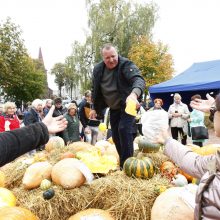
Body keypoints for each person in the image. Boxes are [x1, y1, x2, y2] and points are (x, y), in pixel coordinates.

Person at [156, 93, 220, 219]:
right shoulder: (217, 162)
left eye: (215, 113)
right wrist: (169, 142)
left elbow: (197, 164)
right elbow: (198, 164)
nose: (212, 116)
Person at [90, 43, 145, 167]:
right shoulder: (98, 69)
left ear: (117, 54)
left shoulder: (126, 65)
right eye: (107, 58)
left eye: (113, 56)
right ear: (103, 58)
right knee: (115, 136)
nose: (111, 60)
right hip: (113, 108)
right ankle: (124, 161)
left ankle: (127, 165)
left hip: (127, 105)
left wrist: (134, 94)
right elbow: (95, 89)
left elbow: (138, 80)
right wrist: (94, 107)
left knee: (124, 129)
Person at [0, 105, 67, 167]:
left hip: (18, 141)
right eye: (9, 108)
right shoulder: (2, 118)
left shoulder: (15, 117)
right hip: (13, 142)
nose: (12, 110)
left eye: (13, 108)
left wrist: (42, 128)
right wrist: (40, 128)